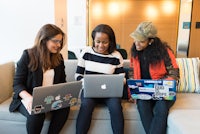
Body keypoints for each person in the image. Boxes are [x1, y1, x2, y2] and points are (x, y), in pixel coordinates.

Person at [9, 24, 70, 134]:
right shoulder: (28, 55)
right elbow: (17, 84)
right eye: (55, 41)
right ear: (44, 40)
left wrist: (65, 95)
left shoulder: (59, 58)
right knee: (38, 112)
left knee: (65, 108)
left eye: (60, 42)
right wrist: (29, 98)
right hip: (28, 99)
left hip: (50, 98)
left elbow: (62, 82)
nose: (59, 45)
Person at [129, 21, 180, 134]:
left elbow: (174, 74)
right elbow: (132, 73)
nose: (136, 43)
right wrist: (132, 93)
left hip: (163, 91)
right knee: (142, 105)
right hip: (144, 91)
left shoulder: (164, 52)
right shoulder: (134, 52)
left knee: (161, 107)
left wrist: (159, 87)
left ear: (151, 41)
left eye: (141, 41)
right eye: (135, 39)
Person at [75, 24, 125, 134]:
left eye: (105, 42)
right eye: (98, 41)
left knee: (116, 107)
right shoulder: (86, 53)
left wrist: (119, 82)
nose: (101, 45)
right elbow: (78, 75)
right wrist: (86, 83)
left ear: (111, 41)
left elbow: (122, 77)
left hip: (110, 93)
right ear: (93, 40)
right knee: (86, 106)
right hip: (90, 91)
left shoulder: (116, 56)